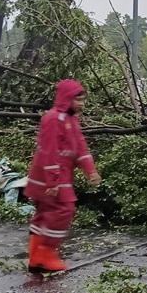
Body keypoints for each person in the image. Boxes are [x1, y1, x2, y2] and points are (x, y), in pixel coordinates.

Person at [24, 79, 101, 272]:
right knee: (63, 210)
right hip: (49, 177)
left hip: (61, 176)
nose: (82, 104)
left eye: (83, 100)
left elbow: (80, 146)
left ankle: (36, 257)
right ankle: (45, 253)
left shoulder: (71, 120)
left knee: (45, 214)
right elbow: (49, 151)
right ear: (67, 98)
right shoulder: (52, 119)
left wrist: (90, 170)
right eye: (78, 100)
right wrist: (53, 181)